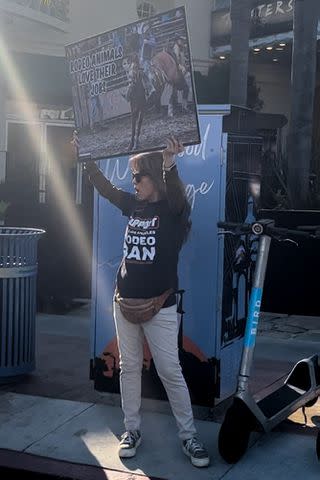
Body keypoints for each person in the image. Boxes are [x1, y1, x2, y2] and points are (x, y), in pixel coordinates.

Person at [79, 135, 210, 468]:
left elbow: (177, 195)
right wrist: (88, 158)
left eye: (139, 176)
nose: (133, 182)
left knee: (170, 371)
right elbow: (107, 190)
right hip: (124, 301)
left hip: (159, 305)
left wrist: (168, 162)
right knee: (129, 369)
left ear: (154, 177)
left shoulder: (171, 211)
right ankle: (131, 430)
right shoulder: (134, 205)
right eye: (133, 176)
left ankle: (189, 436)